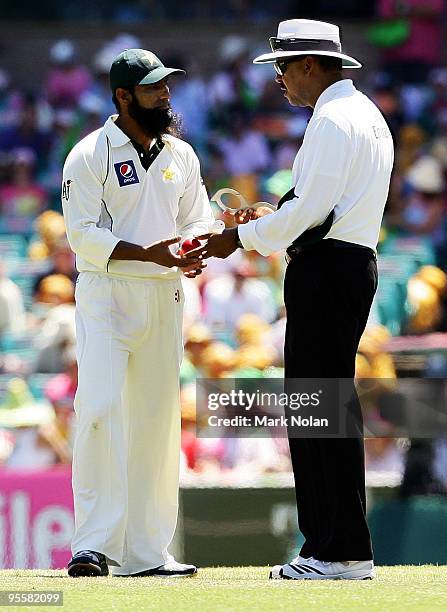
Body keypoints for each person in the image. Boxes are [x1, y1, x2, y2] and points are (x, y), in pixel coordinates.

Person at [197, 19, 394, 580]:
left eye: (282, 66)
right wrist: (268, 219)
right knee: (325, 406)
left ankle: (336, 551)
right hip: (342, 263)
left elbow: (311, 215)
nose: (279, 78)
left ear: (310, 64)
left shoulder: (333, 119)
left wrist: (239, 236)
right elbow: (316, 207)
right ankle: (334, 545)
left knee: (318, 408)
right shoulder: (361, 114)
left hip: (329, 269)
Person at [62, 48, 214, 578]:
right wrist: (148, 252)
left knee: (155, 422)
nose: (166, 95)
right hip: (108, 291)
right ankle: (93, 545)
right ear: (123, 97)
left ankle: (147, 553)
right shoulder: (89, 154)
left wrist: (196, 248)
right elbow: (82, 236)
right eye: (154, 88)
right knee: (100, 408)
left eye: (167, 86)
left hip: (164, 296)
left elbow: (196, 218)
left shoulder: (182, 156)